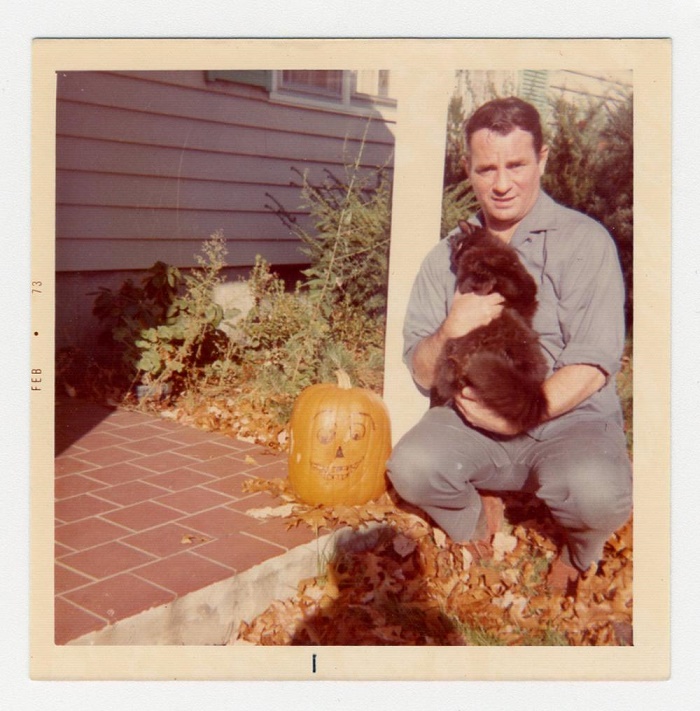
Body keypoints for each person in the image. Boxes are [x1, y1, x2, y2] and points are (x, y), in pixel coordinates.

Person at [387, 96, 632, 591]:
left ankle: (580, 552)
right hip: (472, 419)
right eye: (486, 168)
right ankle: (476, 515)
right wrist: (450, 328)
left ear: (542, 158)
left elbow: (594, 361)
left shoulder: (585, 241)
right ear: (469, 170)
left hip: (569, 419)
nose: (501, 184)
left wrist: (523, 413)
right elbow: (419, 367)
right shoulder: (444, 259)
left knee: (598, 494)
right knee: (410, 468)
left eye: (516, 165)